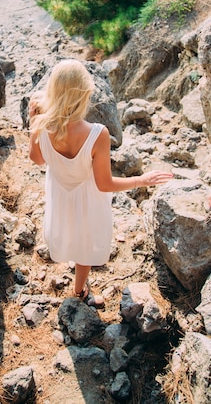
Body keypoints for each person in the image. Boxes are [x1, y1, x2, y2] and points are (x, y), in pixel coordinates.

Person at [28, 59, 173, 305]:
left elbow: (37, 160)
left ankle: (76, 289)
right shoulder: (98, 134)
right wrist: (141, 179)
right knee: (84, 241)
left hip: (60, 193)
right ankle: (78, 290)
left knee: (68, 232)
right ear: (85, 93)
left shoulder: (41, 125)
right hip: (88, 198)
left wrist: (34, 122)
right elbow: (104, 184)